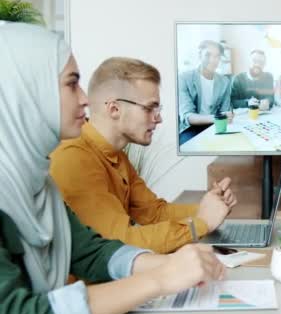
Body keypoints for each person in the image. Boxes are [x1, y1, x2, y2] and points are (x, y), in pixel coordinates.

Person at [0, 23, 224, 314]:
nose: (84, 99)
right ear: (26, 91)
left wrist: (176, 265)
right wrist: (161, 276)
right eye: (71, 84)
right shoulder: (70, 160)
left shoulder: (39, 186)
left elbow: (92, 252)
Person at [50, 57, 237, 254]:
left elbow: (153, 213)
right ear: (114, 109)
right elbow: (121, 243)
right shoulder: (74, 159)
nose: (159, 118)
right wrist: (201, 224)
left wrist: (209, 206)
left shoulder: (115, 155)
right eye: (149, 108)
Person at [178, 40, 231, 145]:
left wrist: (227, 116)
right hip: (191, 129)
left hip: (215, 126)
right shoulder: (184, 78)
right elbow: (188, 116)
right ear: (199, 55)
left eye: (217, 56)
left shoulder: (224, 81)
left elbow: (224, 111)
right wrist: (216, 118)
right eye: (208, 55)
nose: (213, 60)